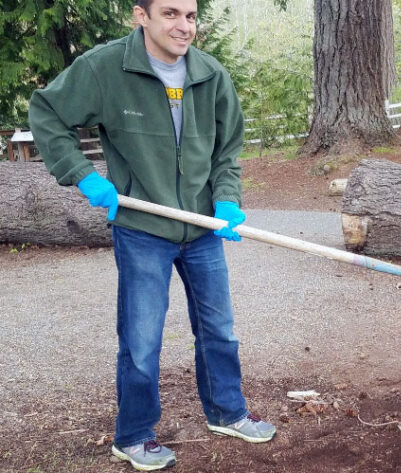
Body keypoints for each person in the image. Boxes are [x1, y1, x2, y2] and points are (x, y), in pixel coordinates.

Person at [28, 0, 275, 470]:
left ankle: (227, 411)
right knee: (142, 341)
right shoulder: (104, 68)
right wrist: (82, 174)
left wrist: (227, 198)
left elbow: (228, 150)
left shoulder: (210, 74)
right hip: (142, 229)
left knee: (219, 331)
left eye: (191, 15)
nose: (184, 26)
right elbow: (46, 112)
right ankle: (134, 436)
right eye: (171, 14)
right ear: (141, 16)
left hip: (203, 229)